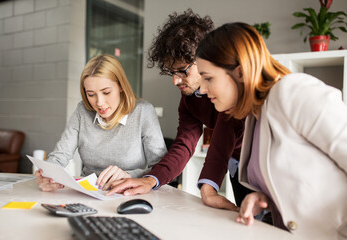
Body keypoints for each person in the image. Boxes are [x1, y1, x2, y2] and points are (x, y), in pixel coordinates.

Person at [196, 22, 347, 239]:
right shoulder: (254, 117)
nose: (202, 89)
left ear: (239, 72)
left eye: (208, 78)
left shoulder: (291, 91)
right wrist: (263, 198)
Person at [107, 9, 252, 211]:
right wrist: (151, 180)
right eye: (171, 72)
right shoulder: (189, 100)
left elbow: (224, 135)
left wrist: (209, 187)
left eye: (182, 71)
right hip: (237, 166)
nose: (175, 81)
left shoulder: (234, 90)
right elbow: (184, 145)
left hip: (259, 162)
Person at [35, 54, 167, 192]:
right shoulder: (82, 111)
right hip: (89, 193)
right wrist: (48, 174)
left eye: (106, 92)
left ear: (121, 86)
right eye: (91, 94)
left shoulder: (143, 111)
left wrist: (130, 176)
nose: (99, 103)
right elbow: (60, 155)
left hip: (130, 193)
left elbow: (161, 167)